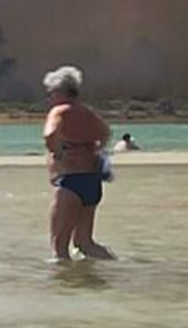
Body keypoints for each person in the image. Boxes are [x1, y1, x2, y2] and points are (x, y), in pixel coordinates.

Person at [43, 65, 114, 261]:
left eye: (50, 93)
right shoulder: (87, 113)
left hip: (70, 182)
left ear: (59, 92)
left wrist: (58, 153)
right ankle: (115, 265)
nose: (49, 98)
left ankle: (64, 288)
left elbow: (49, 134)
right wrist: (95, 149)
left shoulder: (59, 112)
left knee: (59, 246)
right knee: (85, 243)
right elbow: (106, 133)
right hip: (92, 181)